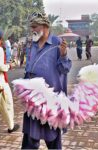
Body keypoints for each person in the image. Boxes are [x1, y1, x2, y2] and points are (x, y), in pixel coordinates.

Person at [22, 12, 72, 149]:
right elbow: (28, 68)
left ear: (45, 26)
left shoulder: (57, 43)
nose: (32, 30)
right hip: (33, 98)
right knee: (30, 138)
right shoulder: (32, 44)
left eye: (35, 26)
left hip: (51, 100)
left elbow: (65, 69)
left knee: (53, 138)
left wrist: (63, 55)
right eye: (31, 27)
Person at [0, 29, 20, 133]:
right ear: (1, 38)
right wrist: (9, 65)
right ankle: (9, 127)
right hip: (0, 79)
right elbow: (0, 66)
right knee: (7, 103)